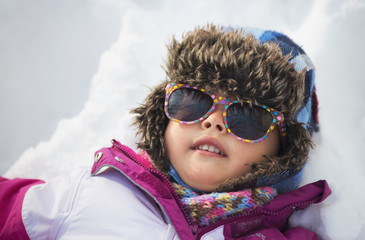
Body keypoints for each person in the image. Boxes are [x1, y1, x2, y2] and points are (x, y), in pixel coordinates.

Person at [0, 25, 331, 239]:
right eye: (193, 101)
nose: (213, 122)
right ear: (163, 117)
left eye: (246, 116)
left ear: (284, 150)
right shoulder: (88, 193)